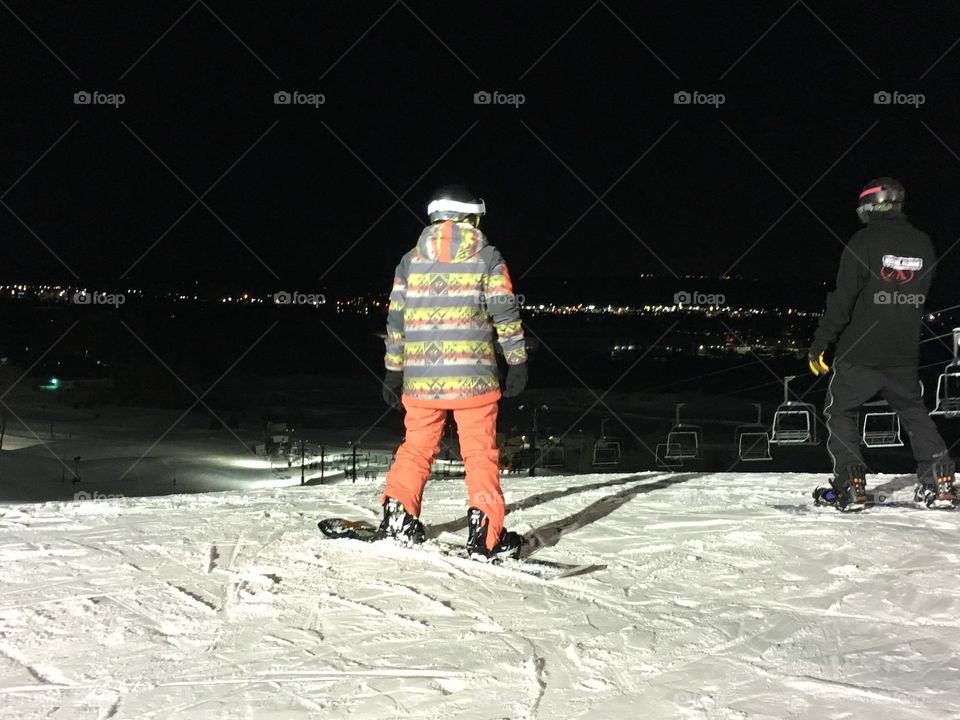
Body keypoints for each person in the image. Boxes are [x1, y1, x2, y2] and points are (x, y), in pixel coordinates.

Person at [377, 185, 529, 558]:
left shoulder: (409, 261)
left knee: (416, 447)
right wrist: (517, 362)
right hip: (474, 380)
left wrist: (392, 372)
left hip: (420, 381)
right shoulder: (488, 258)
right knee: (479, 453)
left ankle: (398, 515)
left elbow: (396, 322)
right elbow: (505, 313)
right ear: (471, 218)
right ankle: (485, 535)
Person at [808, 177, 956, 509]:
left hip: (859, 350)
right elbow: (917, 294)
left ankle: (851, 483)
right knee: (914, 411)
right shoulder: (923, 243)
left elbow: (842, 299)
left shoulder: (863, 242)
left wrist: (821, 344)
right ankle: (940, 481)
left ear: (870, 206)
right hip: (904, 350)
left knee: (841, 410)